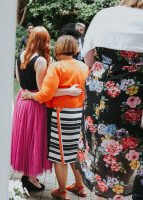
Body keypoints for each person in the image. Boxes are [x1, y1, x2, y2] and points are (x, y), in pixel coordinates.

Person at [76, 0, 143, 199]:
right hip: (135, 94)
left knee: (101, 148)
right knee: (133, 147)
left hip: (102, 92)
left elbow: (87, 59)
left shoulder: (104, 15)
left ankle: (102, 189)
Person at [11, 27, 83, 194]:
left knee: (26, 139)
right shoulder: (41, 61)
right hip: (35, 103)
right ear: (45, 40)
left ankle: (28, 175)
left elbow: (20, 81)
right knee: (35, 140)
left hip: (22, 99)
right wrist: (68, 91)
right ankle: (31, 178)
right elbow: (44, 90)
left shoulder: (21, 55)